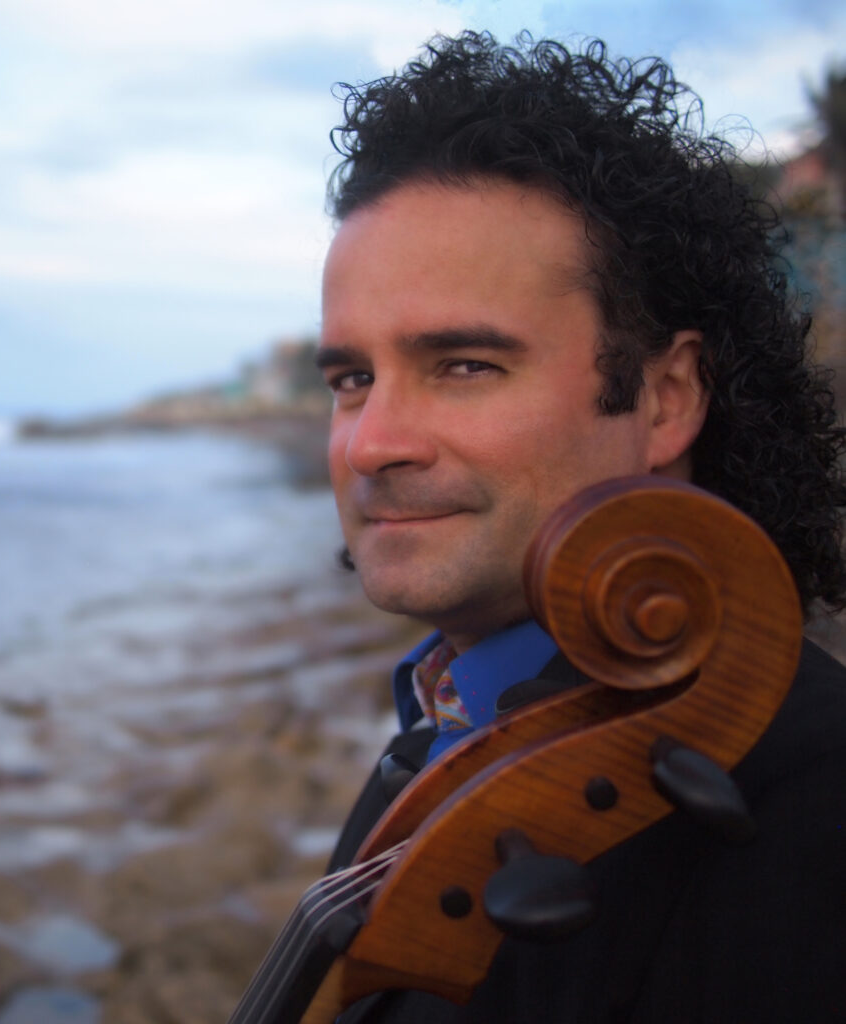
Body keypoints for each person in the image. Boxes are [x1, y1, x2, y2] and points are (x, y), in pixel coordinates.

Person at [315, 31, 846, 1023]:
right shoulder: (446, 730)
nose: (369, 442)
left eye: (463, 363)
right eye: (352, 378)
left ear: (665, 397)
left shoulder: (816, 813)